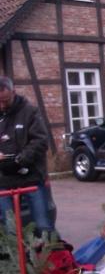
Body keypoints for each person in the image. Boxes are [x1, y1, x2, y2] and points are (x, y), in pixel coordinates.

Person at [0, 76, 54, 236]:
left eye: (5, 101)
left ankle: (49, 250)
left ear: (13, 92)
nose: (2, 105)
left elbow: (41, 141)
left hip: (31, 178)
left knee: (43, 225)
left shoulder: (29, 112)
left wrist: (19, 160)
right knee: (10, 229)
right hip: (4, 180)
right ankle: (16, 253)